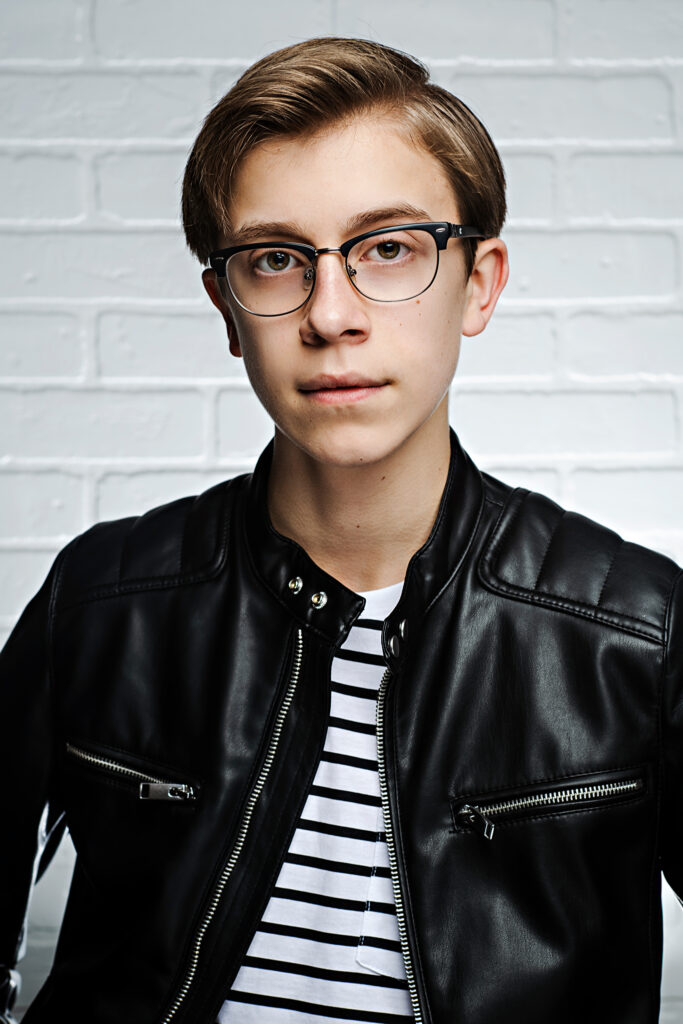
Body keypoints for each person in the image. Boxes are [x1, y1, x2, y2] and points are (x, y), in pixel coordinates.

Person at [1, 35, 681, 1024]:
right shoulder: (104, 598)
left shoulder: (634, 628)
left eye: (388, 249)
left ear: (479, 281)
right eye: (275, 260)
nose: (330, 314)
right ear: (228, 308)